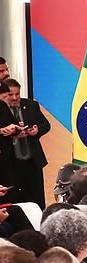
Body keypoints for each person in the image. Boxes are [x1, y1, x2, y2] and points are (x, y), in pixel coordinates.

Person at [0, 79, 51, 207]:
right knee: (16, 200)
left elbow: (45, 125)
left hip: (32, 161)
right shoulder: (2, 110)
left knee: (37, 199)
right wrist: (12, 133)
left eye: (17, 94)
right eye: (10, 95)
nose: (14, 98)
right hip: (11, 164)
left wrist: (36, 130)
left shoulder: (31, 105)